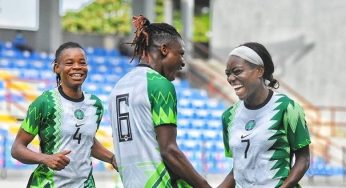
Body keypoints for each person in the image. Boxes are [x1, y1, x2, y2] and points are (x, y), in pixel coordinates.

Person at [109, 15, 211, 188]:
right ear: (164, 49)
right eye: (180, 54)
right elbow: (168, 150)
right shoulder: (160, 85)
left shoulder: (119, 86)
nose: (183, 62)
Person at [11, 41, 117, 187]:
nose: (77, 67)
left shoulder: (95, 104)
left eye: (82, 62)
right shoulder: (45, 102)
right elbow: (17, 148)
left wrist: (112, 158)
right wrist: (45, 158)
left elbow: (86, 141)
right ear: (57, 68)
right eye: (69, 63)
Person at [219, 42, 311, 188]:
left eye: (237, 71)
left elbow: (303, 158)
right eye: (228, 73)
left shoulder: (287, 108)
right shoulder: (228, 116)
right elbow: (238, 168)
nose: (230, 78)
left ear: (259, 71)